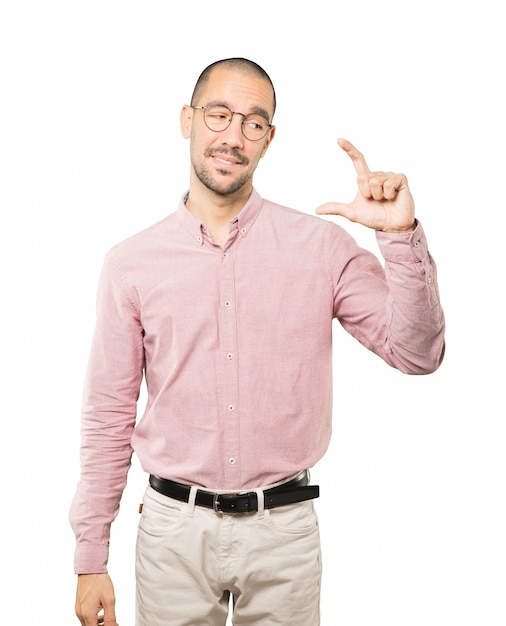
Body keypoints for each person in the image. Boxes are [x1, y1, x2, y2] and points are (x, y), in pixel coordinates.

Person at [70, 57, 445, 626]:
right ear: (187, 120)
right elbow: (109, 413)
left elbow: (419, 354)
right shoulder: (130, 264)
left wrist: (396, 237)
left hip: (285, 531)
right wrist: (90, 556)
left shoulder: (321, 248)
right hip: (172, 533)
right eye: (218, 114)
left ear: (268, 140)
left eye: (253, 122)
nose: (233, 135)